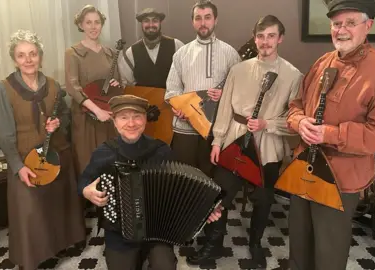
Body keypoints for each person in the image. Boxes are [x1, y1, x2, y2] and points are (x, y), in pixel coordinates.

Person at [287, 1, 375, 269]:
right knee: (299, 243)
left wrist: (330, 134)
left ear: (368, 26)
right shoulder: (321, 63)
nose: (341, 30)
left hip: (341, 179)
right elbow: (295, 106)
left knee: (328, 250)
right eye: (337, 24)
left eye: (350, 23)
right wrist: (299, 121)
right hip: (304, 170)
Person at [186, 15, 303, 268]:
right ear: (255, 38)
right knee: (219, 194)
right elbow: (225, 108)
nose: (265, 41)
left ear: (280, 38)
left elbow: (294, 120)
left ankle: (255, 244)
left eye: (271, 36)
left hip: (268, 146)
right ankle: (214, 244)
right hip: (234, 141)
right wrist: (218, 141)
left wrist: (267, 124)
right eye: (260, 36)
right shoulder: (238, 70)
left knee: (263, 200)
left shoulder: (293, 76)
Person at [79, 94, 223, 270]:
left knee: (165, 266)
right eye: (124, 117)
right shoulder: (104, 152)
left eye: (137, 116)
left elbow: (179, 190)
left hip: (158, 233)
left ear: (145, 119)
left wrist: (204, 210)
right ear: (114, 121)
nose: (131, 123)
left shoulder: (161, 151)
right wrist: (87, 190)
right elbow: (84, 181)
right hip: (119, 234)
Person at [0, 29, 86, 270]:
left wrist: (58, 123)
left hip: (57, 153)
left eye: (33, 54)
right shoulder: (3, 89)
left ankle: (67, 242)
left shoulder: (53, 85)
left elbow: (65, 116)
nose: (28, 60)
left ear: (40, 57)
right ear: (14, 59)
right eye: (22, 55)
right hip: (26, 159)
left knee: (60, 202)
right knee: (31, 209)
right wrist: (17, 166)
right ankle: (36, 256)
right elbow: (3, 133)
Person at [164, 0, 240, 177]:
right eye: (198, 18)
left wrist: (223, 94)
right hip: (185, 127)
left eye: (207, 17)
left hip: (215, 129)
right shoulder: (182, 53)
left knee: (210, 177)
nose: (203, 23)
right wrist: (179, 107)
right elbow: (172, 90)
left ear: (215, 20)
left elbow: (239, 92)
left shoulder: (230, 54)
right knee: (184, 177)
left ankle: (211, 206)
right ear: (192, 22)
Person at [65, 5, 122, 176]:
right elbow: (72, 87)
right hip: (86, 119)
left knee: (110, 161)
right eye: (88, 22)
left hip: (107, 116)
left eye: (97, 22)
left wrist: (115, 84)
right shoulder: (73, 53)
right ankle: (91, 201)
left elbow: (118, 84)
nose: (93, 26)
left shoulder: (110, 53)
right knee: (88, 162)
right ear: (81, 25)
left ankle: (110, 200)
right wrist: (97, 111)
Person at [118, 8, 184, 88]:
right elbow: (127, 86)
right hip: (143, 100)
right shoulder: (131, 52)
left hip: (172, 99)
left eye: (155, 21)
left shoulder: (177, 46)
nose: (151, 25)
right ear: (141, 24)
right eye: (146, 21)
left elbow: (186, 76)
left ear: (160, 23)